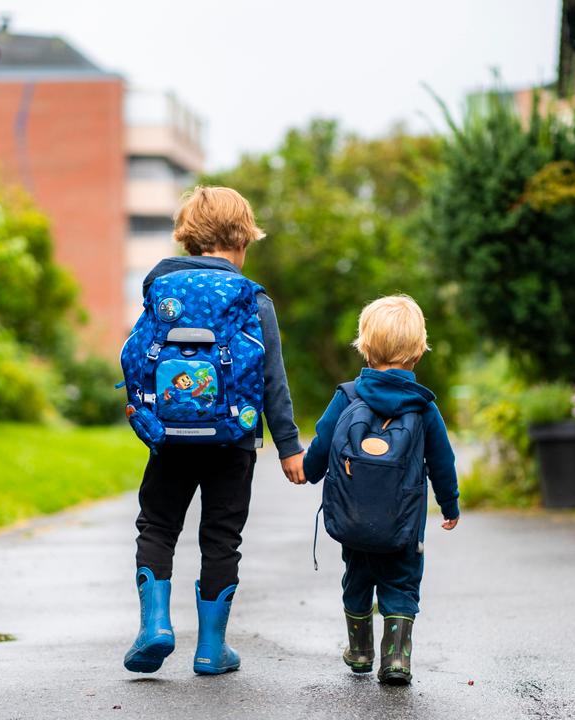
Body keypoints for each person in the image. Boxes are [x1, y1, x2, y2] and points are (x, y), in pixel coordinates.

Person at [124, 186, 305, 676]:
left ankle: (156, 626)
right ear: (243, 239)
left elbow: (136, 356)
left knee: (158, 526)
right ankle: (210, 650)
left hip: (170, 440)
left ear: (188, 240)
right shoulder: (252, 298)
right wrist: (289, 447)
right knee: (221, 539)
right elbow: (273, 379)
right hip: (233, 442)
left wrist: (142, 412)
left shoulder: (160, 288)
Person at [298, 295, 459, 685]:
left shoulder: (348, 396)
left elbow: (322, 443)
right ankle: (397, 660)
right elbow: (442, 461)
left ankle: (359, 650)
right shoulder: (423, 408)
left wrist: (308, 470)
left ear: (365, 349)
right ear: (418, 353)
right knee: (401, 584)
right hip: (403, 527)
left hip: (353, 521)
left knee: (357, 579)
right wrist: (449, 503)